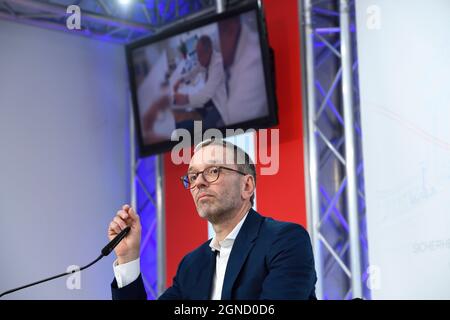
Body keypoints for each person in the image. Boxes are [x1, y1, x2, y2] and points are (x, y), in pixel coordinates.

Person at [108, 138, 317, 300]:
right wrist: (128, 259)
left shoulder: (285, 240)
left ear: (247, 186)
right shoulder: (192, 265)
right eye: (192, 176)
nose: (198, 183)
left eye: (213, 171)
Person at [217, 15, 269, 125]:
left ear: (231, 30)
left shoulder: (255, 61)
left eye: (217, 45)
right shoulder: (236, 51)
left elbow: (234, 119)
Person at [172, 35, 228, 130]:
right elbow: (193, 72)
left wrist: (185, 99)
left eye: (200, 55)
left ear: (209, 52)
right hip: (212, 98)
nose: (198, 59)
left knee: (201, 127)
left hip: (221, 106)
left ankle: (179, 129)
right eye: (197, 54)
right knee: (195, 104)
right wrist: (180, 80)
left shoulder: (218, 64)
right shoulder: (205, 59)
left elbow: (205, 95)